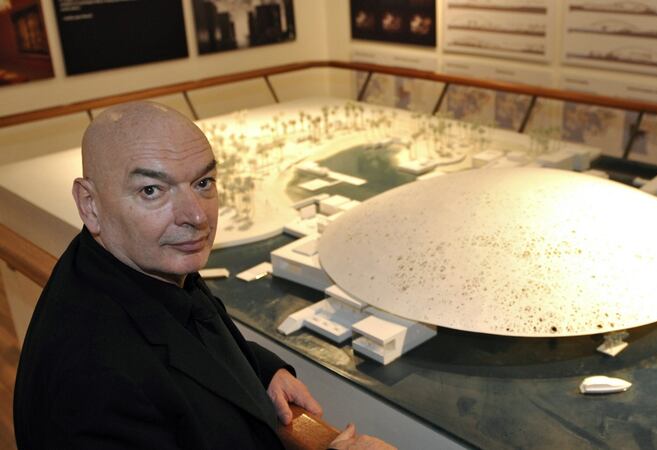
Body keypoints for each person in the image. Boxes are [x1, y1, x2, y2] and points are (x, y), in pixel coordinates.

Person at [14, 101, 393, 449]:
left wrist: (261, 371)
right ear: (90, 205)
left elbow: (194, 332)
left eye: (203, 183)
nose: (196, 216)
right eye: (151, 190)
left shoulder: (139, 264)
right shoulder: (93, 383)